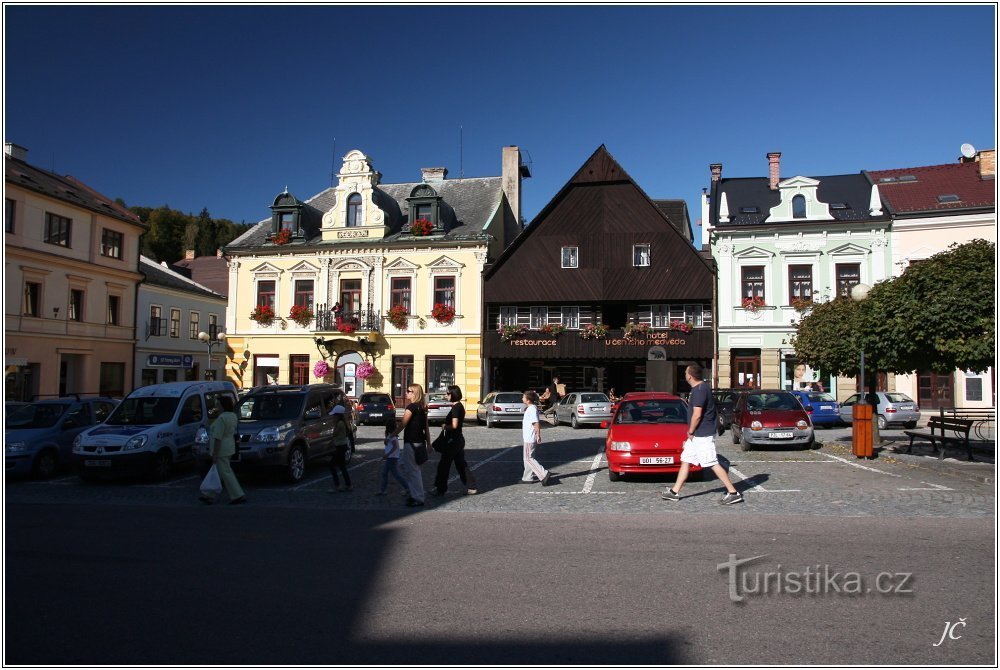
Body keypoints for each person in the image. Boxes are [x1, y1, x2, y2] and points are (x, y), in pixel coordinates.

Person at [661, 364, 743, 505]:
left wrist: (691, 430)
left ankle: (733, 492)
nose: (685, 375)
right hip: (698, 435)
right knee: (686, 459)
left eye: (686, 372)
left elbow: (697, 415)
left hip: (702, 434)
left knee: (711, 462)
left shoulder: (699, 390)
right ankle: (674, 492)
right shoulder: (701, 388)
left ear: (690, 376)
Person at [199, 395, 246, 505]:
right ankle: (209, 495)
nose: (217, 406)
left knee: (225, 472)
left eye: (218, 404)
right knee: (220, 472)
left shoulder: (221, 418)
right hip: (229, 446)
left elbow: (218, 437)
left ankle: (238, 495)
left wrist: (214, 454)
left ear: (222, 405)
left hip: (221, 449)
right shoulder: (232, 416)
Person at [431, 385, 478, 496]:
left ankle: (440, 489)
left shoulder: (456, 408)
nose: (446, 395)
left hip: (453, 441)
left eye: (447, 393)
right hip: (458, 440)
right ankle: (472, 486)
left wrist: (445, 426)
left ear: (452, 394)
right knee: (461, 464)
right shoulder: (459, 406)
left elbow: (455, 425)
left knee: (444, 465)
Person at [397, 383, 429, 507]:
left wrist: (392, 435)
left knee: (413, 471)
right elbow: (426, 427)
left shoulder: (411, 407)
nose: (406, 393)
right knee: (412, 469)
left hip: (411, 442)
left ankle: (418, 497)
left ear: (414, 393)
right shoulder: (422, 407)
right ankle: (413, 494)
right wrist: (429, 443)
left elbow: (403, 424)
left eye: (409, 391)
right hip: (420, 442)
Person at [520, 390, 553, 486]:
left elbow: (536, 423)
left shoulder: (532, 409)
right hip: (529, 437)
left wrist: (538, 435)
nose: (522, 398)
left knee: (528, 458)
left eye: (523, 397)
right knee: (528, 458)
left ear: (528, 400)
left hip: (529, 438)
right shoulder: (530, 408)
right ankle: (527, 477)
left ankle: (544, 474)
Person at [377, 418, 410, 497]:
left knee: (395, 474)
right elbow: (390, 445)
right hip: (391, 457)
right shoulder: (390, 435)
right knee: (387, 473)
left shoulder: (393, 436)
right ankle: (383, 490)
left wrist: (387, 454)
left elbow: (395, 447)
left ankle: (407, 487)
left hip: (391, 458)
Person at [327, 405, 352, 492]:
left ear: (338, 415)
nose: (333, 417)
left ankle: (338, 485)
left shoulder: (340, 424)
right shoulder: (342, 422)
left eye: (334, 415)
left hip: (340, 447)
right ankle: (348, 485)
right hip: (342, 446)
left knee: (332, 465)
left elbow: (334, 434)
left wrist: (334, 425)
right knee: (342, 466)